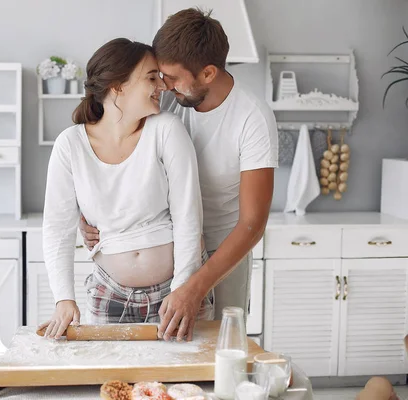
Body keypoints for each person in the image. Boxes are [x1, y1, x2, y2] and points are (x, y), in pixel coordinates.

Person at [81, 8, 278, 341]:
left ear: (208, 73)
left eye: (171, 77)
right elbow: (116, 159)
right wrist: (88, 218)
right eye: (159, 75)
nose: (162, 85)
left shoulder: (252, 119)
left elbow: (252, 224)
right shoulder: (168, 101)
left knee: (218, 346)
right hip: (168, 247)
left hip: (222, 253)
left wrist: (194, 286)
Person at [39, 38, 214, 340]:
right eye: (151, 77)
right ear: (118, 85)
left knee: (184, 383)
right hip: (110, 294)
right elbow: (57, 228)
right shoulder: (70, 145)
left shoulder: (166, 129)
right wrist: (63, 298)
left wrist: (183, 290)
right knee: (113, 383)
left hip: (176, 291)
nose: (161, 85)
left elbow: (189, 218)